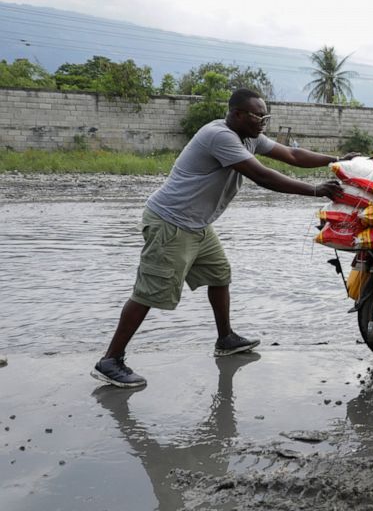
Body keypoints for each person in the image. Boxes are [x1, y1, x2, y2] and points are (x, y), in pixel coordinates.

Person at [92, 88, 346, 388]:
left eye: (266, 116)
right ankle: (111, 359)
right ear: (237, 114)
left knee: (220, 274)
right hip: (170, 223)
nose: (263, 122)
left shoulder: (250, 135)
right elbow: (262, 176)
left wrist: (338, 161)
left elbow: (291, 154)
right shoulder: (220, 136)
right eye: (258, 116)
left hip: (197, 224)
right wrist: (315, 190)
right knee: (149, 292)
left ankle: (225, 338)